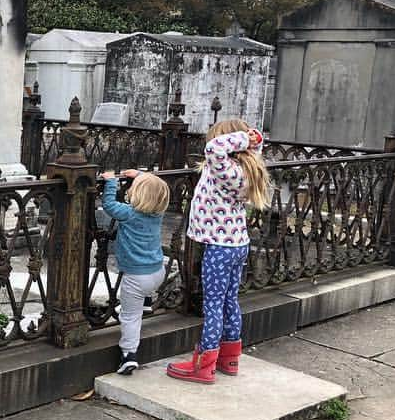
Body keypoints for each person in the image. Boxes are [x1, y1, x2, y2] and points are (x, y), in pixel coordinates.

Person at [167, 119, 271, 384]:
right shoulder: (246, 169)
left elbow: (214, 147)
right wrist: (254, 141)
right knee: (229, 301)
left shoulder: (226, 167)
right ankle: (230, 358)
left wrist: (248, 138)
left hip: (219, 248)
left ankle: (204, 364)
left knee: (212, 304)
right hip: (238, 245)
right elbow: (228, 148)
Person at [100, 168, 171, 375]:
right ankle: (147, 303)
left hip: (136, 278)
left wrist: (111, 182)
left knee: (130, 316)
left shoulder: (129, 213)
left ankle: (129, 355)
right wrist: (140, 175)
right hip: (158, 272)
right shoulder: (158, 213)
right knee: (142, 296)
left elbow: (109, 205)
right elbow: (154, 188)